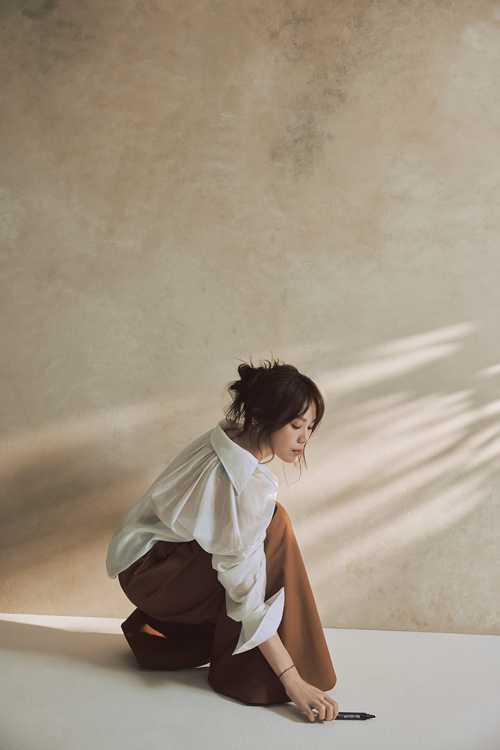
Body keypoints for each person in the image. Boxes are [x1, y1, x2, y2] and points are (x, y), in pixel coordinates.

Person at [106, 358, 338, 722]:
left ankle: (192, 648)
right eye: (295, 425)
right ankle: (258, 677)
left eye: (310, 426)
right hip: (153, 577)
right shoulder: (242, 483)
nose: (304, 438)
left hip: (147, 565)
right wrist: (291, 679)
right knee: (271, 530)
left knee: (265, 531)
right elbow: (244, 592)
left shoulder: (230, 436)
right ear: (259, 416)